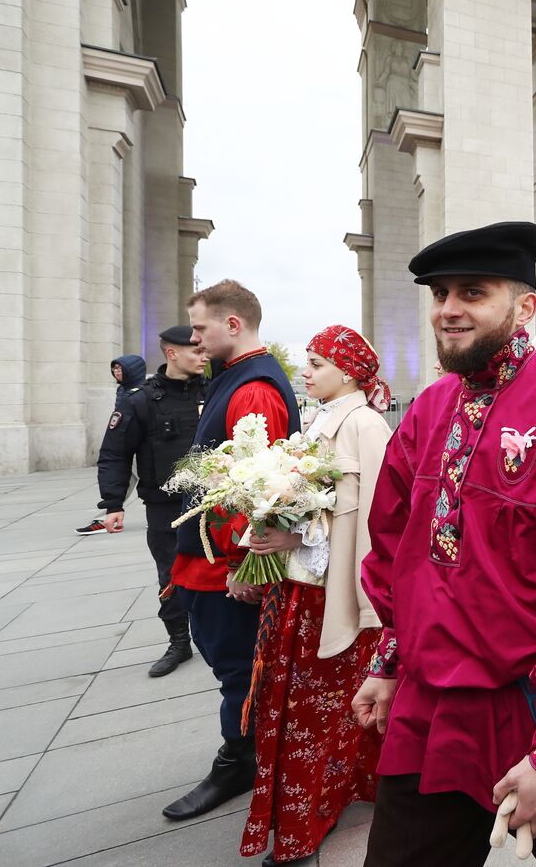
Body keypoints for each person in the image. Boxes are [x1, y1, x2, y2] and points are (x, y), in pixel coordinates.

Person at [355, 221, 536, 867]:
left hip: (534, 711)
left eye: (472, 292)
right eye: (440, 293)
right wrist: (389, 658)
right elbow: (396, 551)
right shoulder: (427, 409)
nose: (449, 309)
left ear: (524, 306)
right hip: (429, 709)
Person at [237, 325, 391, 866]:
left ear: (348, 372)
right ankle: (329, 796)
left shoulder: (367, 425)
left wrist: (295, 535)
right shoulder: (320, 418)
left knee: (321, 710)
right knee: (309, 706)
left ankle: (311, 814)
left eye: (317, 364)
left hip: (335, 595)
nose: (305, 373)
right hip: (302, 591)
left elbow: (375, 520)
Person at [162, 280, 301, 821]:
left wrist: (244, 562)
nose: (195, 339)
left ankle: (243, 760)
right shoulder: (237, 379)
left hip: (225, 566)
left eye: (200, 328)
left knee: (241, 670)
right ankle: (252, 755)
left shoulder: (255, 389)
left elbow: (256, 487)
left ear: (233, 324)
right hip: (210, 557)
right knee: (236, 666)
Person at [96, 327, 207, 677]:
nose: (204, 356)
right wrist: (113, 503)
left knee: (224, 571)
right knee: (170, 574)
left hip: (216, 503)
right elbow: (115, 452)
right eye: (195, 351)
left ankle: (223, 636)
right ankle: (178, 642)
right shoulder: (140, 400)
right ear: (171, 354)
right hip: (165, 505)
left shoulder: (214, 391)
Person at [76, 353, 149, 535]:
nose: (116, 372)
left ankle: (109, 516)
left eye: (120, 368)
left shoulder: (142, 392)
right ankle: (108, 515)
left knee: (149, 480)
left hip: (143, 447)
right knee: (130, 479)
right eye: (114, 368)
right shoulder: (123, 390)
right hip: (128, 445)